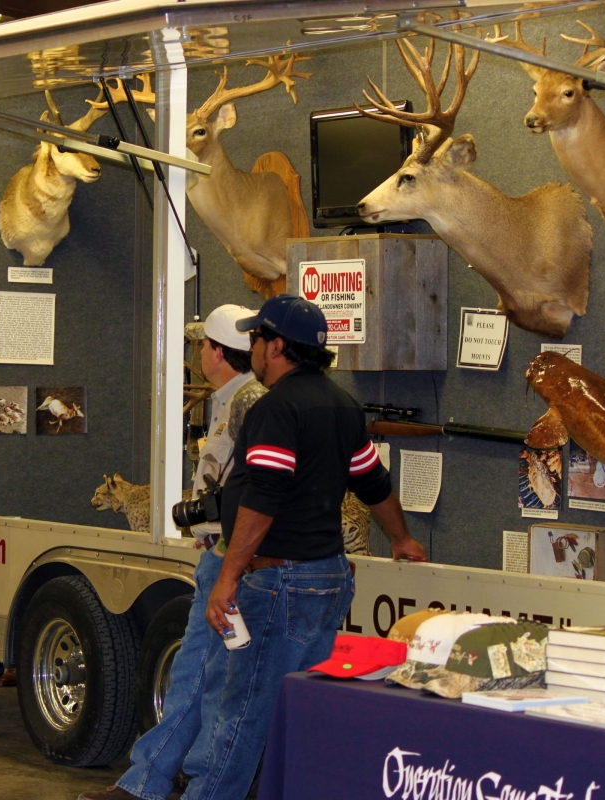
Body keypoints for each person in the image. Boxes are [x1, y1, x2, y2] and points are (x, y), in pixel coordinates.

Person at [191, 295, 428, 800]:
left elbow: (264, 497)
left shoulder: (276, 409)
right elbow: (372, 482)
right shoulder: (342, 405)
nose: (251, 347)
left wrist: (228, 578)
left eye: (256, 338)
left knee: (243, 715)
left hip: (279, 583)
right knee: (297, 713)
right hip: (327, 578)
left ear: (276, 347)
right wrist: (402, 538)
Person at [80, 305, 266, 800]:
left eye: (202, 345)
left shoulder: (249, 403)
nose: (197, 353)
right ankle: (154, 779)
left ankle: (178, 784)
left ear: (220, 353)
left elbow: (253, 489)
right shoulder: (232, 400)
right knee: (199, 675)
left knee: (208, 677)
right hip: (220, 554)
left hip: (232, 559)